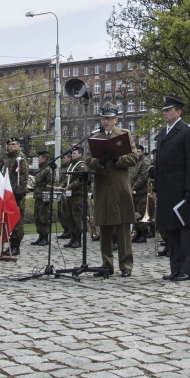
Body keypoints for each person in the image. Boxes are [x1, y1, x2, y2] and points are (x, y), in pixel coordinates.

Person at [84, 105, 142, 277]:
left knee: (123, 226)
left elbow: (133, 157)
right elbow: (89, 159)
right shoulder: (96, 136)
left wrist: (117, 158)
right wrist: (99, 161)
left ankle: (126, 265)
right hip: (102, 185)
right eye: (103, 118)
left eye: (109, 118)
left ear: (116, 120)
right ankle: (106, 265)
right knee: (105, 226)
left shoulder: (124, 135)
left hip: (119, 185)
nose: (106, 121)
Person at [152, 96, 190, 281]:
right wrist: (157, 185)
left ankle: (186, 270)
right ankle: (175, 268)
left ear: (178, 112)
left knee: (185, 229)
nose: (165, 112)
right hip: (166, 187)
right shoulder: (163, 132)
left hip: (181, 186)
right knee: (171, 229)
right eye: (164, 110)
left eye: (169, 110)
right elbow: (158, 162)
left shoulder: (187, 131)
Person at [0, 137, 31, 255]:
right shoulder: (9, 159)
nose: (10, 146)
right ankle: (11, 244)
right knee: (10, 219)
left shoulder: (20, 158)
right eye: (9, 145)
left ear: (19, 145)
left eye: (13, 144)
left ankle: (16, 246)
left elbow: (23, 176)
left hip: (16, 193)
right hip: (9, 193)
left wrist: (19, 192)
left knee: (17, 220)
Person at [62, 146, 87, 247]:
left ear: (80, 154)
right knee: (69, 217)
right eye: (72, 154)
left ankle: (78, 238)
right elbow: (67, 178)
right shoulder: (71, 165)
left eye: (75, 153)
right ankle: (72, 237)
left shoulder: (81, 165)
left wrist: (69, 186)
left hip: (77, 195)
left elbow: (81, 179)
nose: (72, 155)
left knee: (77, 217)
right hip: (69, 196)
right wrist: (61, 186)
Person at [30, 151, 56, 247]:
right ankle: (40, 236)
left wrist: (47, 198)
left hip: (44, 198)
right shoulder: (41, 169)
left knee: (44, 218)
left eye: (40, 158)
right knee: (38, 218)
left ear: (45, 158)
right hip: (38, 196)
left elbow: (50, 184)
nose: (38, 160)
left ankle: (45, 237)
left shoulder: (48, 169)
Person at [130, 143, 153, 242]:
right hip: (133, 192)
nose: (136, 153)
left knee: (142, 213)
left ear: (142, 152)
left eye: (138, 151)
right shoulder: (134, 162)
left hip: (141, 192)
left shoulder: (145, 162)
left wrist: (133, 187)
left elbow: (143, 177)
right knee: (135, 214)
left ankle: (143, 233)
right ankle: (137, 232)